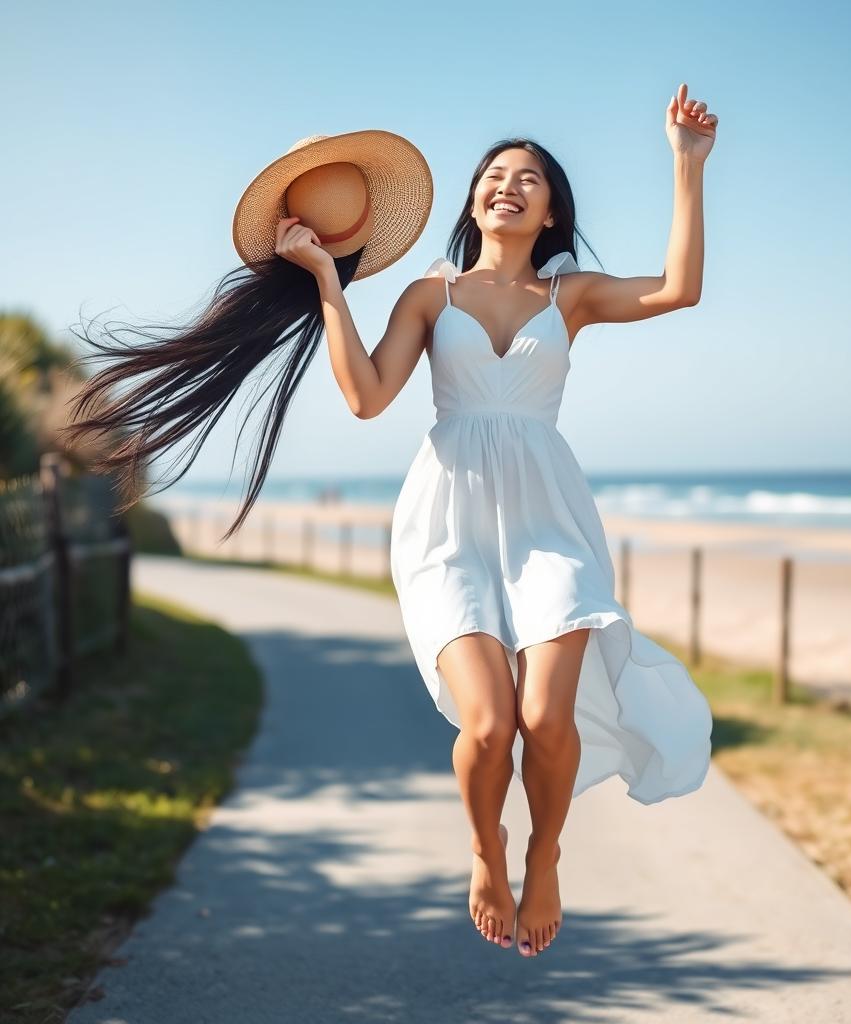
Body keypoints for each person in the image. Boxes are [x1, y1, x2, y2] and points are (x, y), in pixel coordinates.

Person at [275, 83, 719, 958]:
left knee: (547, 719)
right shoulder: (427, 295)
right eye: (493, 174)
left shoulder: (573, 296)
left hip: (551, 521)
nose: (506, 185)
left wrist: (686, 164)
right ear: (476, 197)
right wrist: (329, 280)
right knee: (489, 724)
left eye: (528, 178)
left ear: (552, 210)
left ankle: (545, 855)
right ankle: (488, 849)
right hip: (448, 525)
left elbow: (679, 290)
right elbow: (366, 398)